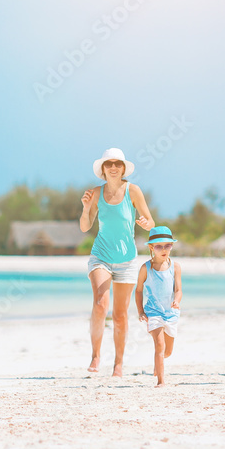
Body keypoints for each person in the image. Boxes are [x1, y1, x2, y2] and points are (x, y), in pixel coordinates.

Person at [80, 148, 155, 377]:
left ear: (123, 168)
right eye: (109, 163)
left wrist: (145, 223)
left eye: (117, 164)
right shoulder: (94, 193)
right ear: (103, 169)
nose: (113, 167)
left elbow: (151, 221)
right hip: (101, 256)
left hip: (127, 260)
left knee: (121, 314)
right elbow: (85, 227)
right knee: (100, 305)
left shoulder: (133, 190)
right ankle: (95, 355)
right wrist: (85, 208)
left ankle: (118, 364)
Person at [136, 226, 182, 387]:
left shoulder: (175, 267)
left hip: (171, 314)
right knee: (159, 345)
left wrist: (176, 300)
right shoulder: (145, 268)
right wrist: (141, 311)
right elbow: (139, 290)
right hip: (153, 312)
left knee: (167, 351)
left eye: (167, 246)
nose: (163, 250)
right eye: (158, 246)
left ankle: (158, 364)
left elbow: (178, 290)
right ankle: (161, 381)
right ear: (151, 248)